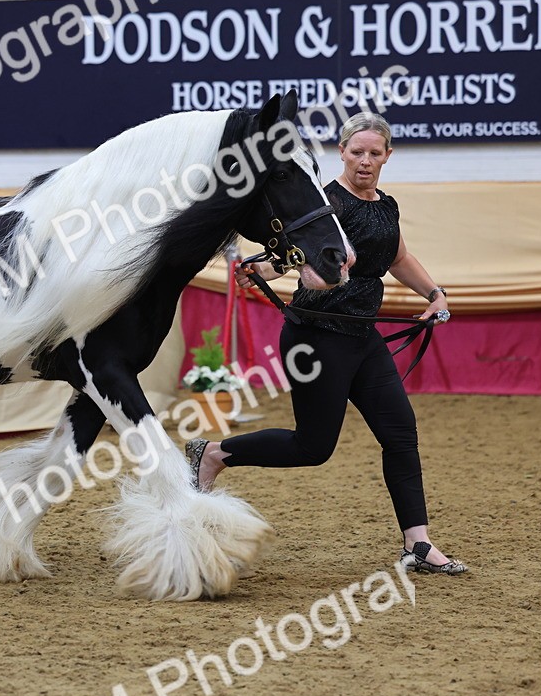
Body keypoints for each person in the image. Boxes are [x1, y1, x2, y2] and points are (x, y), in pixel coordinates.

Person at [186, 112, 468, 575]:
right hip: (317, 338)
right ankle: (214, 453)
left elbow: (397, 256)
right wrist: (262, 270)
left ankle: (418, 545)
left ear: (387, 157)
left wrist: (434, 292)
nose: (365, 161)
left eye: (375, 153)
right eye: (357, 152)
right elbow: (287, 259)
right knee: (313, 447)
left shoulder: (385, 205)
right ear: (342, 152)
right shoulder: (324, 203)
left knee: (400, 432)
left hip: (362, 337)